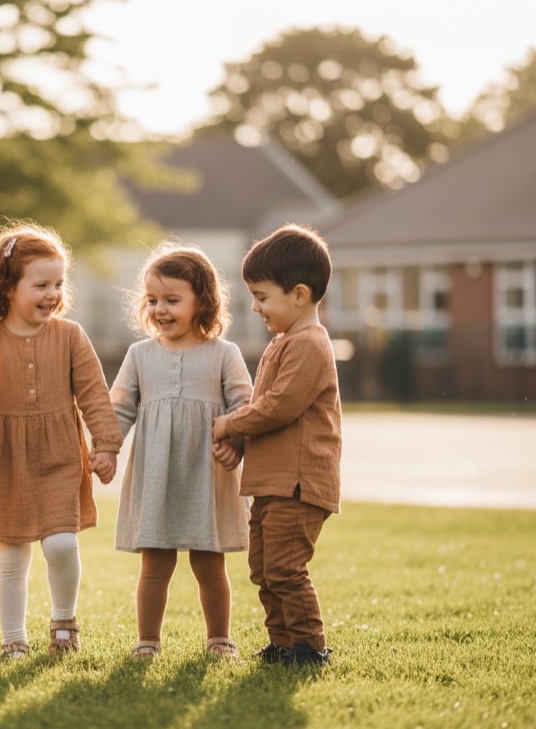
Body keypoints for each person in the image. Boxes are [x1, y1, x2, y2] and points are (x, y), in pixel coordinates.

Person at [0, 221, 123, 659]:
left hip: (59, 455)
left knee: (62, 543)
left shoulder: (71, 336)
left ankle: (64, 621)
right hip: (5, 458)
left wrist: (105, 445)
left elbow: (93, 394)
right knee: (11, 557)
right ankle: (14, 639)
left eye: (59, 284)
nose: (53, 293)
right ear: (9, 287)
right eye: (41, 284)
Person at [109, 243, 253, 658]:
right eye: (153, 300)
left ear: (202, 302)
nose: (160, 309)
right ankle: (148, 641)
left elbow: (247, 407)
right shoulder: (139, 355)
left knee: (210, 563)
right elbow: (118, 409)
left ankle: (219, 638)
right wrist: (106, 449)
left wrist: (237, 443)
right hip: (156, 472)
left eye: (173, 300)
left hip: (206, 472)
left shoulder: (224, 354)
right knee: (155, 563)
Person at [212, 223, 342, 667]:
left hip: (299, 484)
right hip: (271, 483)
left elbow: (279, 407)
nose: (255, 307)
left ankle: (309, 647)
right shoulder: (282, 343)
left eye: (262, 296)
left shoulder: (310, 344)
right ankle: (282, 643)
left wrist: (229, 424)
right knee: (264, 570)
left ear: (300, 294)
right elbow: (268, 416)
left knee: (286, 568)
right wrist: (241, 443)